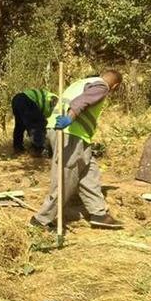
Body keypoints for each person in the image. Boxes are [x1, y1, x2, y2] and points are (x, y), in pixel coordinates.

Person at [31, 70, 124, 230]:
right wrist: (69, 118)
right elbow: (82, 101)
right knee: (66, 177)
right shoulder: (102, 87)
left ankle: (99, 214)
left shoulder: (82, 82)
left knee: (89, 172)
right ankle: (41, 220)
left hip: (73, 134)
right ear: (115, 86)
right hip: (70, 133)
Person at [11, 88, 58, 156]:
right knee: (39, 123)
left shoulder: (49, 101)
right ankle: (38, 149)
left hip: (16, 99)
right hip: (27, 100)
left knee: (20, 125)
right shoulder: (57, 101)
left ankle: (18, 148)